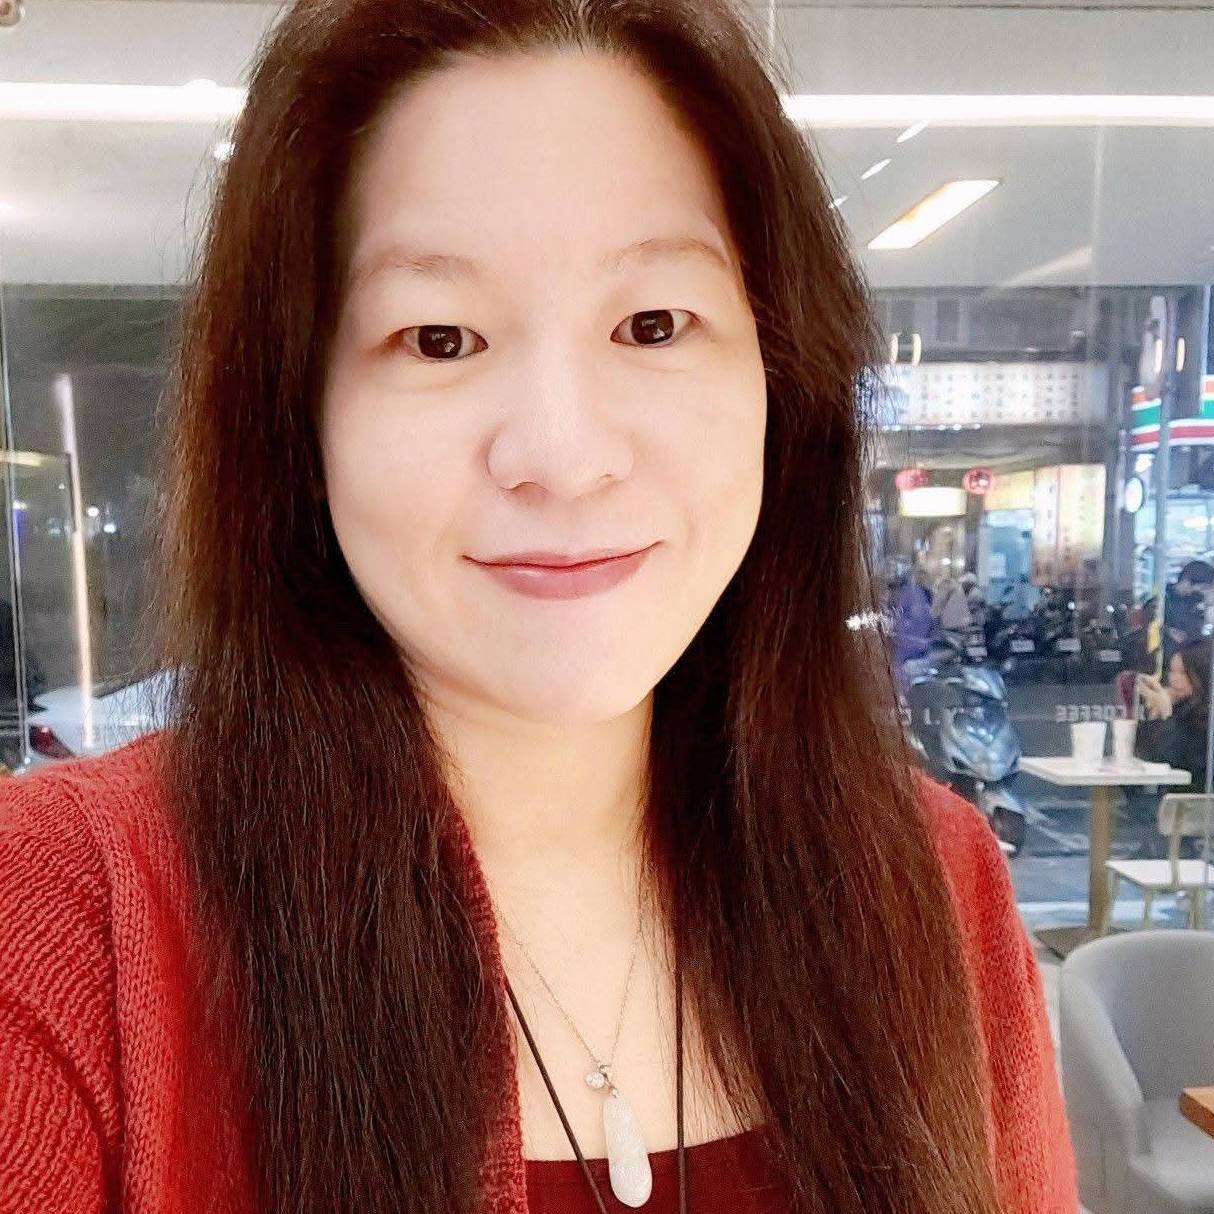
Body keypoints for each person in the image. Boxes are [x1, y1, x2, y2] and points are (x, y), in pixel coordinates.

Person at [0, 3, 1078, 1213]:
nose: (561, 457)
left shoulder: (930, 879)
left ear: (781, 379)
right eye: (439, 338)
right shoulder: (53, 919)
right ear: (300, 417)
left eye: (652, 324)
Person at [1130, 638, 1213, 858]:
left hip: (1193, 820)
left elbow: (1178, 758)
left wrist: (1167, 714)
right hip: (1171, 817)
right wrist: (1155, 714)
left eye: (1182, 673)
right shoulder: (1182, 709)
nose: (1173, 679)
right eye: (1172, 672)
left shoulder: (1205, 720)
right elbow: (1144, 753)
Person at [1162, 559, 1214, 667]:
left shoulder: (1197, 600)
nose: (1201, 591)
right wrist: (1168, 631)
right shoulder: (1162, 600)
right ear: (1186, 581)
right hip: (1167, 656)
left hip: (1191, 657)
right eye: (1202, 587)